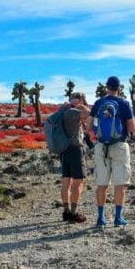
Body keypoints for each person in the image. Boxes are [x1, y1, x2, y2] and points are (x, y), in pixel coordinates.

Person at [87, 76, 135, 227]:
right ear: (119, 88)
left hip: (101, 146)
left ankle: (101, 218)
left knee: (102, 184)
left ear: (106, 87)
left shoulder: (98, 103)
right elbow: (132, 127)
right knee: (119, 184)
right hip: (119, 145)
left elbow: (89, 125)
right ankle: (118, 218)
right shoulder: (124, 103)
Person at [59, 92, 91, 223]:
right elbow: (88, 113)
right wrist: (79, 105)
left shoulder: (62, 110)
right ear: (78, 100)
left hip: (64, 150)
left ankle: (66, 211)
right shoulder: (73, 112)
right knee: (78, 182)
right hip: (75, 151)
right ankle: (74, 212)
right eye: (82, 100)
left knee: (66, 181)